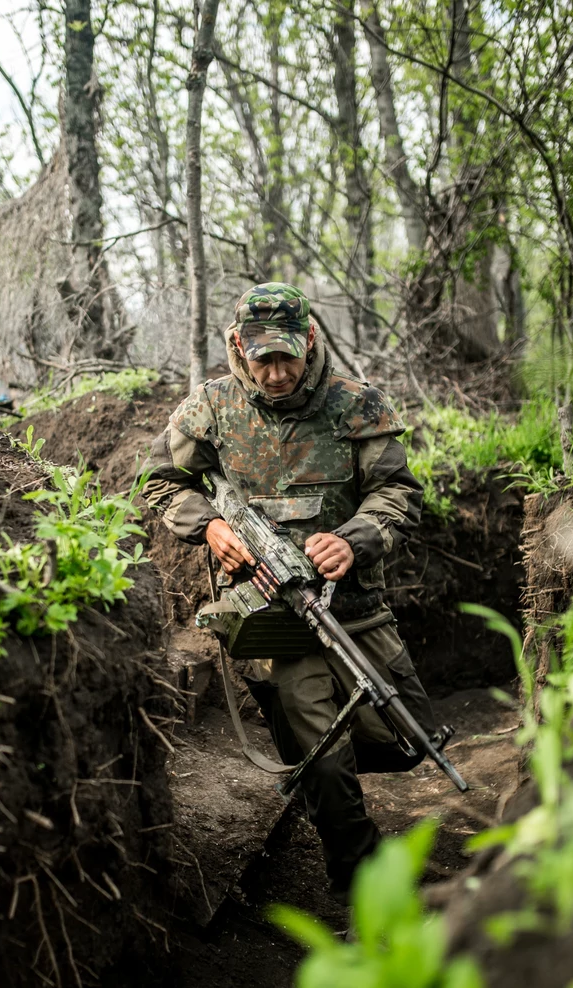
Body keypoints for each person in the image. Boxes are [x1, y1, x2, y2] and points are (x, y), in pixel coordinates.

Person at [143, 282, 435, 902]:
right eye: (261, 359)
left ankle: (313, 779)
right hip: (275, 618)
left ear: (309, 341)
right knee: (328, 759)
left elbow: (400, 493)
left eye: (286, 358)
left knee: (411, 738)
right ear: (238, 349)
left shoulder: (355, 405)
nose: (275, 374)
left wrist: (355, 538)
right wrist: (211, 526)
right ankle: (361, 878)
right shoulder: (211, 410)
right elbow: (161, 483)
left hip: (354, 607)